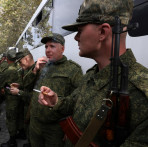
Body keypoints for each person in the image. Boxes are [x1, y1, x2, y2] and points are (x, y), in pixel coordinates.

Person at [38, 0, 148, 146]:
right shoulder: (92, 74)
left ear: (102, 32)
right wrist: (56, 101)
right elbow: (73, 104)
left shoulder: (141, 92)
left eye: (80, 30)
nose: (76, 37)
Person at [27, 33, 83, 147]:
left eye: (52, 46)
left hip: (55, 128)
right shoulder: (42, 66)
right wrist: (35, 70)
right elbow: (26, 86)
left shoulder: (73, 69)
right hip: (35, 124)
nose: (47, 50)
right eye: (46, 47)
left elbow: (79, 101)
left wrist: (70, 128)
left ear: (62, 49)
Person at [10, 48, 36, 146]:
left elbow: (35, 96)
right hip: (28, 107)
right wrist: (19, 86)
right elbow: (28, 86)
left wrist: (19, 92)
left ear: (26, 59)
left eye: (20, 62)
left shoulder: (36, 70)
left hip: (33, 109)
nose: (20, 65)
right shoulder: (28, 70)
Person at [0, 49, 23, 147]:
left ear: (7, 59)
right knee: (20, 115)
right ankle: (22, 133)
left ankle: (12, 141)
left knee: (11, 119)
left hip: (12, 99)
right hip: (21, 96)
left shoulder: (7, 71)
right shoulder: (20, 68)